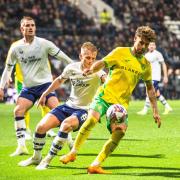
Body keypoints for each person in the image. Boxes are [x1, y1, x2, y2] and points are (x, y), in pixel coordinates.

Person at [60, 26, 161, 174]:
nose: (143, 47)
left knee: (119, 133)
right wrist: (92, 70)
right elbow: (103, 63)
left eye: (146, 44)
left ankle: (95, 164)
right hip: (104, 96)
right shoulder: (120, 52)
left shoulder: (146, 65)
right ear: (135, 39)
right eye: (141, 42)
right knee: (91, 120)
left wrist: (155, 111)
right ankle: (73, 153)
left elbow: (150, 88)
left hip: (120, 105)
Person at [18, 42, 106, 170]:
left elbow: (106, 79)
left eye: (93, 58)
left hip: (85, 110)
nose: (91, 61)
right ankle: (36, 158)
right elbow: (59, 80)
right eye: (87, 58)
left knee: (66, 125)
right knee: (40, 127)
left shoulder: (98, 71)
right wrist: (44, 94)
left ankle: (47, 160)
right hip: (68, 106)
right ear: (81, 56)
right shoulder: (72, 68)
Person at [0, 16, 73, 157]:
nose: (30, 27)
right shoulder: (16, 48)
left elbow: (63, 57)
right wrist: (1, 87)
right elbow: (8, 69)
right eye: (27, 25)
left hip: (45, 86)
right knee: (18, 110)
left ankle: (70, 142)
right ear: (22, 29)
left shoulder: (44, 43)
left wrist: (76, 68)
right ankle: (21, 147)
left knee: (58, 111)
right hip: (28, 88)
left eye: (32, 25)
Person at [15, 62, 57, 139]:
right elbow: (9, 62)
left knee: (46, 105)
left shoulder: (41, 50)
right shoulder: (14, 49)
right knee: (23, 107)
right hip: (22, 81)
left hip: (42, 81)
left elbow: (46, 63)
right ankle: (25, 130)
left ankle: (48, 128)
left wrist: (49, 77)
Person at [137, 42, 172, 115]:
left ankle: (145, 110)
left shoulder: (158, 54)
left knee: (148, 91)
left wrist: (165, 76)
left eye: (153, 45)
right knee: (157, 94)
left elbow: (163, 64)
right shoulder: (146, 55)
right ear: (148, 46)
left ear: (155, 46)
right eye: (150, 45)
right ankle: (167, 107)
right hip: (149, 77)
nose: (152, 46)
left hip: (155, 77)